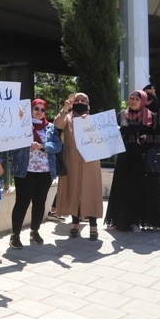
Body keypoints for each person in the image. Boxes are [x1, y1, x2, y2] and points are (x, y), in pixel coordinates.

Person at [104, 90, 160, 232]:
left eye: (137, 99)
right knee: (121, 188)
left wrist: (147, 137)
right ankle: (118, 220)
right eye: (131, 98)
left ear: (143, 101)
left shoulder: (151, 116)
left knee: (139, 189)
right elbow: (113, 133)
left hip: (141, 159)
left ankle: (136, 221)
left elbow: (159, 137)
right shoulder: (122, 115)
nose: (133, 101)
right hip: (124, 157)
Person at [9, 99, 63, 247]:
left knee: (39, 202)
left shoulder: (50, 127)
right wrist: (20, 124)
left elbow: (58, 146)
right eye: (36, 109)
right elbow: (12, 142)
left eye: (42, 109)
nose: (39, 112)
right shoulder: (22, 125)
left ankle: (34, 231)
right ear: (31, 110)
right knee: (22, 202)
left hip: (45, 171)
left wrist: (42, 145)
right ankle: (15, 235)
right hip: (25, 170)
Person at [54, 93, 103, 238]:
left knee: (91, 191)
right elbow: (57, 124)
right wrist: (65, 109)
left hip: (91, 162)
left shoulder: (94, 120)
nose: (80, 102)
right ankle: (75, 223)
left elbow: (103, 138)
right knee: (73, 190)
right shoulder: (68, 118)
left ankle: (93, 226)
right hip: (72, 161)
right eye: (77, 100)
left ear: (88, 103)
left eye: (83, 100)